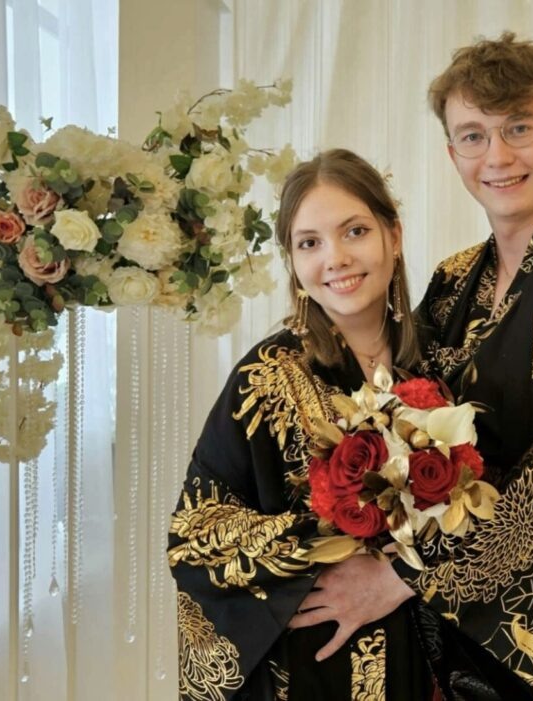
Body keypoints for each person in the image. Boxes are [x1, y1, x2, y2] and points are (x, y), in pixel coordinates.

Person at [313, 32, 533, 699]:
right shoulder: (454, 281)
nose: (498, 156)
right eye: (474, 136)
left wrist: (401, 578)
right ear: (452, 154)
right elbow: (400, 417)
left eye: (518, 128)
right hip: (457, 635)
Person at [168, 149, 430, 700]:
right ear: (292, 260)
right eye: (309, 243)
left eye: (355, 231)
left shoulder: (443, 360)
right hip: (316, 667)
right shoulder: (266, 378)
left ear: (394, 235)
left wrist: (405, 572)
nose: (336, 258)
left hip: (429, 657)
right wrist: (328, 537)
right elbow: (194, 537)